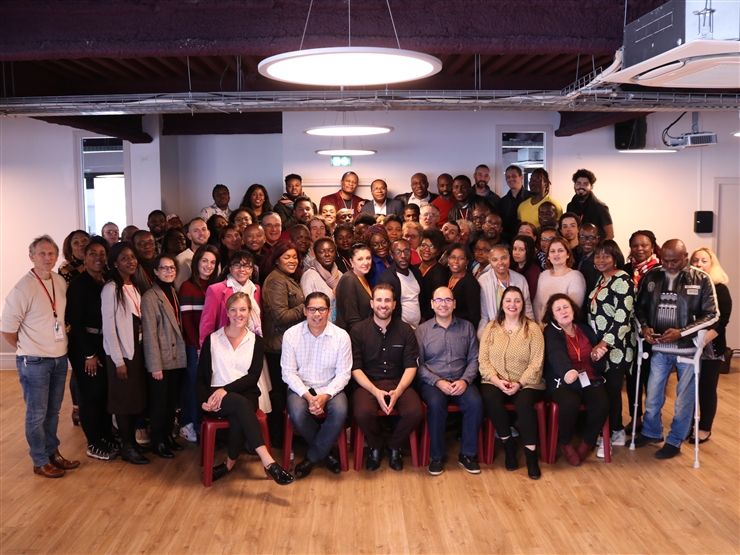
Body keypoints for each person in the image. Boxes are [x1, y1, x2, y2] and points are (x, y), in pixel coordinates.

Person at [2, 235, 80, 478]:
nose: (47, 258)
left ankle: (52, 452)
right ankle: (39, 460)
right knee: (37, 414)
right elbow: (7, 329)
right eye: (42, 253)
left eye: (51, 253)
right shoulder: (23, 288)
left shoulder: (59, 281)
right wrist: (28, 347)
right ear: (32, 257)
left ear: (57, 256)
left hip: (59, 358)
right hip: (34, 361)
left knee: (53, 411)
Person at [196, 292, 293, 485]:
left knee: (239, 409)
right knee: (240, 407)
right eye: (233, 310)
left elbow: (252, 377)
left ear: (249, 312)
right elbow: (200, 379)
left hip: (246, 393)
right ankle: (268, 462)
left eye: (242, 309)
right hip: (216, 397)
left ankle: (228, 464)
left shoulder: (256, 341)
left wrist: (226, 389)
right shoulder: (212, 340)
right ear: (227, 312)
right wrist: (203, 401)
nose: (238, 314)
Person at [634, 239, 718, 459]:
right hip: (660, 348)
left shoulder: (701, 279)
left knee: (683, 400)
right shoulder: (652, 276)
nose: (669, 265)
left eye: (675, 261)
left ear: (685, 257)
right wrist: (645, 328)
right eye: (665, 260)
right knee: (652, 395)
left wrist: (682, 332)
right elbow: (640, 308)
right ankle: (651, 432)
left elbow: (712, 315)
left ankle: (675, 440)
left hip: (687, 350)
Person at [350, 284, 423, 471]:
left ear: (394, 304)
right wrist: (375, 391)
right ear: (372, 303)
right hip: (368, 383)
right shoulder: (358, 331)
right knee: (362, 413)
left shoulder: (406, 330)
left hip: (399, 382)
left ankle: (393, 446)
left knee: (415, 412)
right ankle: (376, 445)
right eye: (379, 300)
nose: (383, 305)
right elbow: (355, 368)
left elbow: (411, 366)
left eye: (388, 300)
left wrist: (398, 391)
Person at [281, 292, 352, 478]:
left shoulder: (341, 336)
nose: (317, 314)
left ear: (329, 311)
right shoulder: (291, 335)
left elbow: (344, 374)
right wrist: (308, 396)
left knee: (340, 411)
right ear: (305, 311)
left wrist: (326, 396)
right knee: (297, 412)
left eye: (321, 309)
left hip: (330, 387)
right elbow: (288, 372)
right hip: (301, 387)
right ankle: (326, 455)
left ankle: (312, 457)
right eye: (312, 309)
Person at [479, 286, 545, 478]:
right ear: (502, 304)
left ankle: (531, 456)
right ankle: (508, 444)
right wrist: (497, 381)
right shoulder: (491, 328)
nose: (512, 304)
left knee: (524, 403)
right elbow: (483, 360)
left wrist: (520, 383)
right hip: (495, 379)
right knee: (490, 397)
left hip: (527, 382)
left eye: (517, 300)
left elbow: (537, 363)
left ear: (523, 304)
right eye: (508, 300)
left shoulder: (532, 329)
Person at [417, 286, 483, 476]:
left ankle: (468, 455)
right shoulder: (422, 331)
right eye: (438, 300)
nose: (443, 304)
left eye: (447, 300)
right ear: (432, 304)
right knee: (436, 405)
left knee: (476, 404)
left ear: (454, 304)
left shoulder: (467, 327)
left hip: (461, 380)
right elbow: (418, 364)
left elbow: (474, 359)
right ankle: (437, 457)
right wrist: (437, 382)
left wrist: (465, 381)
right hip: (433, 383)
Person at [66, 238, 119, 460]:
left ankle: (106, 435)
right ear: (85, 258)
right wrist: (89, 354)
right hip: (84, 346)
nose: (98, 257)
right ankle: (94, 443)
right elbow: (76, 322)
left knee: (104, 393)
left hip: (102, 342)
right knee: (91, 394)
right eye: (92, 253)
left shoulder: (106, 281)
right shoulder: (79, 284)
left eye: (101, 253)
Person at [543, 294, 609, 465]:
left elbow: (596, 359)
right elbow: (555, 353)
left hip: (588, 377)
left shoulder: (585, 329)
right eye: (558, 309)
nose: (563, 311)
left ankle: (587, 443)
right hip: (562, 380)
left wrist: (597, 357)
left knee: (601, 403)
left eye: (566, 307)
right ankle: (565, 442)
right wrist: (567, 371)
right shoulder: (551, 332)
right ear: (553, 315)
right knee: (570, 403)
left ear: (573, 309)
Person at [100, 242, 149, 465]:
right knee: (123, 401)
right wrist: (118, 361)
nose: (131, 261)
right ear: (114, 263)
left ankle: (132, 443)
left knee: (134, 399)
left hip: (135, 351)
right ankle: (127, 446)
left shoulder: (133, 285)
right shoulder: (111, 288)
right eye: (124, 258)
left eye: (132, 257)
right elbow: (109, 328)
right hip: (121, 355)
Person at [588, 240, 636, 457]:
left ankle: (615, 432)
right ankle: (610, 429)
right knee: (605, 391)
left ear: (615, 258)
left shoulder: (623, 280)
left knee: (612, 392)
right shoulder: (602, 279)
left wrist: (604, 343)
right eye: (598, 256)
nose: (601, 260)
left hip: (617, 348)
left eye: (606, 256)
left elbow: (622, 318)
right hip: (600, 345)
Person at [141, 253, 186, 459]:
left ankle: (167, 436)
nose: (169, 271)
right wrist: (155, 365)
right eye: (164, 268)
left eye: (172, 268)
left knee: (171, 402)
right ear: (156, 272)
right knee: (159, 403)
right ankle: (158, 441)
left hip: (176, 357)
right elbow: (150, 334)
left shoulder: (173, 292)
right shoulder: (150, 297)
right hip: (161, 360)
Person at [261, 241, 306, 444]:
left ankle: (285, 435)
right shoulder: (275, 281)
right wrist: (305, 307)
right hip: (276, 346)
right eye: (287, 257)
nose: (292, 260)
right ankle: (278, 439)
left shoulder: (287, 278)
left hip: (286, 345)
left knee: (283, 391)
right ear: (276, 260)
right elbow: (281, 316)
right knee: (278, 393)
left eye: (295, 257)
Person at [689, 247, 732, 444]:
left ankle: (704, 428)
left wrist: (702, 341)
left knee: (706, 389)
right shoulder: (687, 286)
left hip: (710, 348)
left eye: (704, 261)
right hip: (689, 346)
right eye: (695, 260)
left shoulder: (720, 288)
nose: (698, 264)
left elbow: (722, 320)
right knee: (688, 389)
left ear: (712, 264)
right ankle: (688, 424)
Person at [178, 244, 219, 443]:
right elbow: (187, 322)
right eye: (204, 261)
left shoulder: (216, 286)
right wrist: (199, 346)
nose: (208, 265)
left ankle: (201, 425)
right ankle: (191, 425)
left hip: (212, 346)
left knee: (206, 385)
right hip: (194, 345)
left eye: (213, 262)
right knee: (195, 385)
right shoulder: (188, 286)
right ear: (196, 262)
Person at [622, 229, 661, 432]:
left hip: (653, 332)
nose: (639, 249)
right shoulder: (625, 269)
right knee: (633, 377)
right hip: (630, 332)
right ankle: (635, 417)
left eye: (644, 245)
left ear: (652, 247)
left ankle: (653, 421)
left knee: (651, 379)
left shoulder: (660, 271)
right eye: (635, 245)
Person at [200, 250, 261, 347]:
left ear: (252, 270)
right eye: (237, 265)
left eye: (247, 266)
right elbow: (207, 324)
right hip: (224, 345)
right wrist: (205, 348)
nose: (242, 269)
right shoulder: (216, 290)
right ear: (230, 268)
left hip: (252, 344)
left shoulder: (256, 289)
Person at [478, 244, 535, 338]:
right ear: (490, 261)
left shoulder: (520, 279)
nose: (500, 263)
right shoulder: (483, 281)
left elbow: (527, 309)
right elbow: (484, 316)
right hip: (494, 331)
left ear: (509, 258)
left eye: (504, 258)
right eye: (495, 260)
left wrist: (531, 331)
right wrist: (482, 338)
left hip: (518, 330)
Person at [532, 237, 586, 325]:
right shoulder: (543, 275)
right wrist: (541, 325)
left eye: (560, 250)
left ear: (568, 254)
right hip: (542, 327)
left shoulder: (575, 276)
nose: (556, 254)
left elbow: (573, 309)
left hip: (564, 327)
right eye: (552, 251)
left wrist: (552, 328)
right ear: (548, 256)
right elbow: (537, 303)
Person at [378, 239, 424, 328]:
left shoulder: (416, 272)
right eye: (398, 252)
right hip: (399, 329)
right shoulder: (386, 278)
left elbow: (421, 299)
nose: (403, 256)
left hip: (418, 327)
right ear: (392, 255)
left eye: (406, 251)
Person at [335, 242, 374, 333]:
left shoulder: (364, 277)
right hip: (355, 335)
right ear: (351, 261)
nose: (366, 262)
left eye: (368, 258)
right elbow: (352, 319)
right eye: (360, 259)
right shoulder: (348, 280)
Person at [566, 168, 614, 240]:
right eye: (578, 183)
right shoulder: (570, 206)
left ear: (591, 187)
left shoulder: (600, 207)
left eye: (585, 184)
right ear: (574, 185)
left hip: (595, 246)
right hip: (576, 246)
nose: (581, 186)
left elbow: (610, 235)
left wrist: (599, 247)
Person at [301, 237, 342, 321]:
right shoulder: (309, 276)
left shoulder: (340, 275)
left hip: (340, 324)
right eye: (322, 251)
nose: (327, 254)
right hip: (319, 324)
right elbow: (310, 309)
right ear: (315, 254)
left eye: (331, 251)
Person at [445, 243, 481, 328]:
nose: (456, 261)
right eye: (453, 257)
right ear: (448, 259)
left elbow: (474, 315)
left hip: (462, 327)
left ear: (467, 261)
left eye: (461, 258)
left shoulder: (470, 282)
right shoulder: (447, 276)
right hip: (447, 324)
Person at [416, 228, 449, 322]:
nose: (427, 249)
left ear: (438, 251)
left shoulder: (440, 272)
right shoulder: (414, 268)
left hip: (429, 320)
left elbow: (437, 299)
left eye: (432, 246)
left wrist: (424, 319)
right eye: (424, 245)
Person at [174, 217, 211, 291]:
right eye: (196, 231)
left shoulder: (214, 256)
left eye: (204, 229)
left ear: (209, 233)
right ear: (189, 236)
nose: (201, 233)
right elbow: (180, 289)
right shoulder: (181, 259)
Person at [499, 165, 531, 237]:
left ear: (521, 177)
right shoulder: (502, 202)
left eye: (514, 176)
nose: (511, 179)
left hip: (526, 238)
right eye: (508, 177)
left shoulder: (531, 198)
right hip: (506, 239)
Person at [573, 223, 601, 296]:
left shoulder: (600, 262)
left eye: (591, 237)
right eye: (583, 237)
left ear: (597, 239)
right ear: (578, 238)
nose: (587, 241)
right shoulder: (574, 256)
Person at [510, 235, 540, 301]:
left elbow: (530, 297)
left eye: (521, 250)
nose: (516, 252)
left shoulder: (534, 271)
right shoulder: (512, 267)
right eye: (514, 249)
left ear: (529, 251)